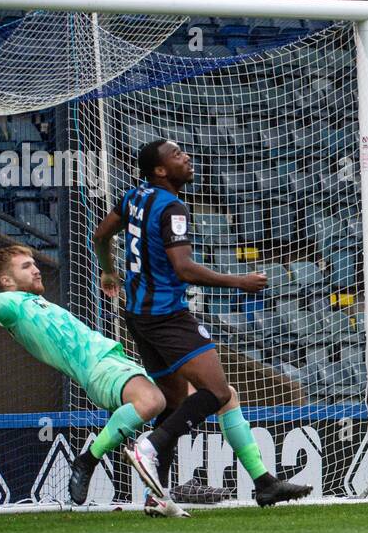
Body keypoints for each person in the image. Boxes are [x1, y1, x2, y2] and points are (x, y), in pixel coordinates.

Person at [93, 139, 311, 509]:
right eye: (177, 155)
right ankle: (150, 445)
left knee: (175, 402)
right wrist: (238, 281)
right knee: (217, 392)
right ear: (160, 170)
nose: (187, 157)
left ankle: (156, 496)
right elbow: (184, 268)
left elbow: (100, 235)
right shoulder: (172, 207)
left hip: (138, 317)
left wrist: (109, 271)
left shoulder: (133, 197)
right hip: (167, 315)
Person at [0, 240, 184, 516]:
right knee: (151, 401)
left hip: (119, 361)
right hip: (100, 370)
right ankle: (88, 459)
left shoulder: (36, 302)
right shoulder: (10, 305)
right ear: (7, 280)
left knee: (205, 396)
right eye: (26, 267)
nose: (36, 269)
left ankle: (157, 493)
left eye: (35, 264)